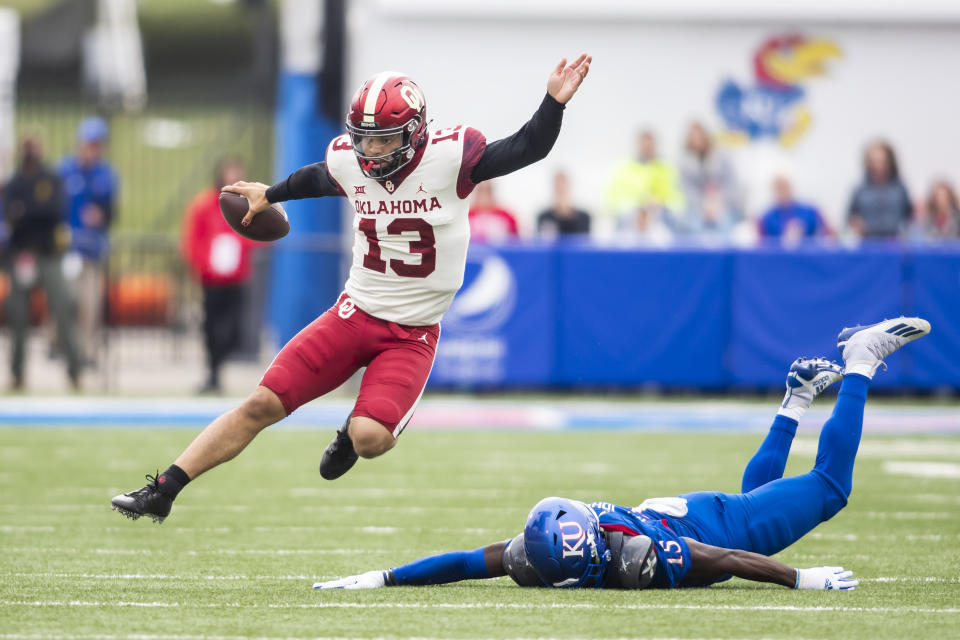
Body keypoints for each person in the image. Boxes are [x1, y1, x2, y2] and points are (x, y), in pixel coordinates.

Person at [111, 54, 592, 523]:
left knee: (369, 437)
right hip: (354, 313)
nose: (370, 152)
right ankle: (164, 490)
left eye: (382, 141)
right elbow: (319, 177)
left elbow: (527, 146)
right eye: (363, 140)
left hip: (412, 333)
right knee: (260, 403)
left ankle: (348, 431)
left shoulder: (451, 158)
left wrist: (553, 104)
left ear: (413, 133)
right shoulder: (351, 161)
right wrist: (270, 193)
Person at [313, 317, 930, 591]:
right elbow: (465, 563)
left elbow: (730, 558)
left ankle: (861, 360)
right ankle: (795, 401)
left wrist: (801, 580)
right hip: (699, 511)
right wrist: (382, 577)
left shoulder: (640, 557)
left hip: (717, 530)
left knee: (829, 489)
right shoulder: (545, 546)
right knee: (752, 500)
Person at [1, 136, 82, 390]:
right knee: (17, 317)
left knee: (62, 310)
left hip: (49, 255)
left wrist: (24, 212)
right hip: (22, 255)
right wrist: (27, 213)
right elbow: (10, 216)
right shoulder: (14, 182)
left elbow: (53, 212)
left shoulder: (51, 179)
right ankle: (17, 374)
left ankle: (75, 372)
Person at [182, 157, 260, 394]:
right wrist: (205, 263)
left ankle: (221, 360)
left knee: (235, 326)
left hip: (237, 277)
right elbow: (191, 239)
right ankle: (213, 371)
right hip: (211, 278)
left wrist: (241, 250)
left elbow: (258, 235)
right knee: (211, 325)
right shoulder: (204, 204)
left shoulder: (249, 204)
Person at [60, 116, 118, 367]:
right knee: (64, 299)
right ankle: (63, 346)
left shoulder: (106, 175)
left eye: (97, 144)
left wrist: (101, 216)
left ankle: (87, 351)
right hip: (66, 248)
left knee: (91, 303)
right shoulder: (65, 171)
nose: (93, 149)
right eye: (89, 143)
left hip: (92, 249)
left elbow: (111, 212)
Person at [605, 129, 684, 227]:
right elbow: (612, 200)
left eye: (650, 146)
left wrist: (661, 203)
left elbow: (678, 200)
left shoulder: (667, 169)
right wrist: (638, 204)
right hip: (631, 219)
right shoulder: (624, 169)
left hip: (661, 218)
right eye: (644, 145)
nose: (647, 148)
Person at [679, 121, 741, 237]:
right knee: (692, 225)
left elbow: (732, 185)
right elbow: (686, 190)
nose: (697, 140)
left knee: (726, 224)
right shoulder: (684, 163)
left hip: (723, 205)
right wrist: (704, 205)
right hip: (697, 208)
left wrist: (718, 202)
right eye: (693, 137)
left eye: (699, 135)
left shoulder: (723, 157)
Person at [847, 140, 911, 239]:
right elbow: (849, 217)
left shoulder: (900, 189)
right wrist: (855, 224)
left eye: (881, 160)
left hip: (894, 242)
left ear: (889, 162)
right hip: (867, 243)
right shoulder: (859, 191)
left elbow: (909, 217)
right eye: (873, 160)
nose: (877, 164)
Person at [758, 175, 829, 242]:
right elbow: (760, 244)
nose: (782, 192)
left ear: (791, 187)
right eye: (778, 188)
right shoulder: (766, 217)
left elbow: (829, 235)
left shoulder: (811, 211)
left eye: (785, 187)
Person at [536, 170, 590, 238]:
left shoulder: (584, 217)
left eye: (563, 188)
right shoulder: (544, 217)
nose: (561, 191)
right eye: (558, 188)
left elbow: (584, 242)